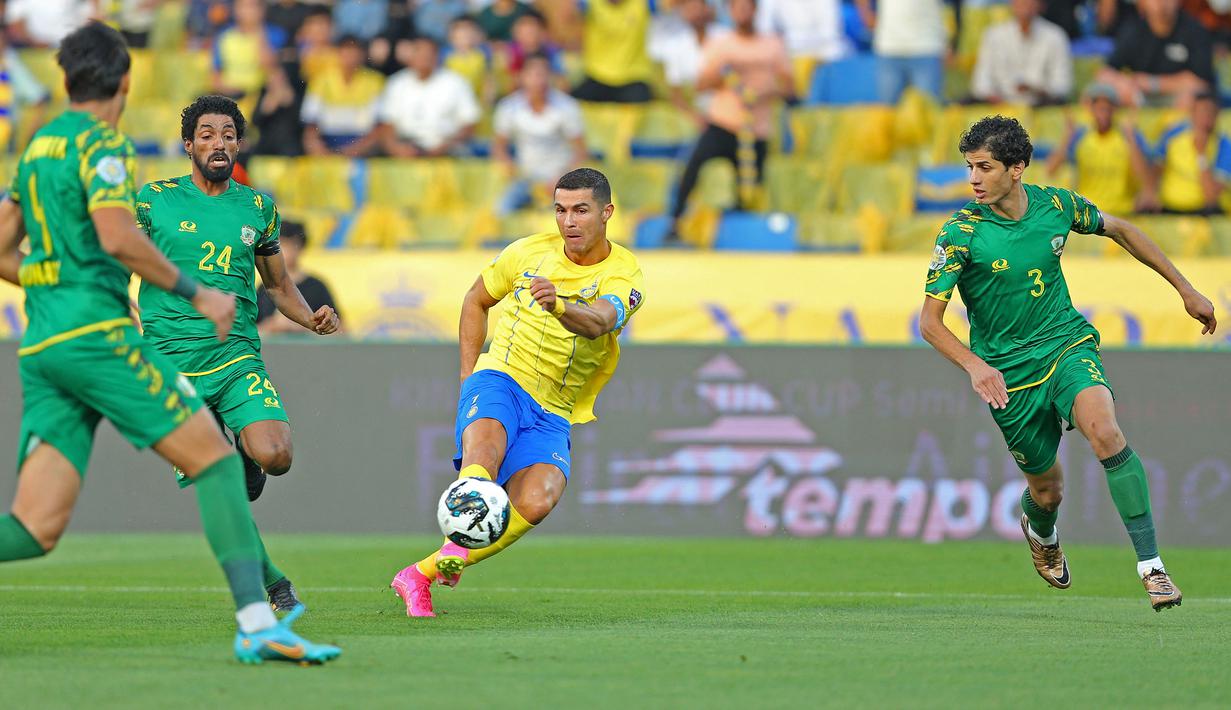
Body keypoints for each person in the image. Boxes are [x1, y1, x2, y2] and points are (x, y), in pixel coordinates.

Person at [0, 23, 340, 663]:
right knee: (215, 462)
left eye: (226, 133)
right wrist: (195, 292)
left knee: (33, 528)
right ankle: (264, 616)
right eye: (206, 134)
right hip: (121, 343)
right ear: (127, 82)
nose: (218, 143)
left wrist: (54, 281)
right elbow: (117, 236)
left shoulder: (39, 146)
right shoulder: (113, 155)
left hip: (49, 345)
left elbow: (4, 249)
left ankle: (263, 612)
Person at [919, 115, 1217, 612]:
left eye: (984, 167)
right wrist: (976, 366)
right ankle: (1041, 531)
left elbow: (1120, 228)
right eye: (969, 167)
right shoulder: (959, 234)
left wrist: (1185, 288)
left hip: (1065, 345)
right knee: (1048, 489)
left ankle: (1152, 567)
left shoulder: (1056, 205)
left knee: (1106, 432)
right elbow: (930, 323)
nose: (973, 178)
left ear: (1017, 169)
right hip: (1007, 375)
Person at [389, 167, 645, 618]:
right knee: (482, 455)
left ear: (606, 213)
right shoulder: (527, 252)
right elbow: (476, 300)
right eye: (561, 210)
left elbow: (602, 322)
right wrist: (469, 376)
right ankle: (460, 533)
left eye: (581, 210)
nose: (569, 222)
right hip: (502, 377)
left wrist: (561, 305)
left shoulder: (623, 271)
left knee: (540, 497)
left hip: (555, 407)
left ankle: (421, 572)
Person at [666, 0, 794, 242]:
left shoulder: (773, 45)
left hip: (756, 129)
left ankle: (742, 234)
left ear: (755, 10)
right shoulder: (721, 45)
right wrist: (724, 75)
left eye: (746, 7)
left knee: (748, 186)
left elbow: (789, 87)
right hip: (723, 123)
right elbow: (701, 85)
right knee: (692, 168)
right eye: (737, 8)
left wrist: (763, 94)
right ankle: (675, 221)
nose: (742, 13)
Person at [492, 53, 588, 215]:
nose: (540, 80)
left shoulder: (567, 106)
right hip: (524, 179)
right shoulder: (508, 107)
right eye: (534, 74)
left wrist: (563, 179)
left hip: (560, 179)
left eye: (544, 74)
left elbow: (581, 152)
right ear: (522, 77)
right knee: (500, 211)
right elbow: (499, 147)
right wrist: (509, 168)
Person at [1046, 83, 1157, 216]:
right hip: (1089, 213)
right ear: (1091, 109)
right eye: (1099, 108)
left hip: (1122, 211)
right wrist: (1067, 137)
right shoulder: (1081, 136)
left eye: (1107, 108)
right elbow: (1051, 169)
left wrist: (1131, 140)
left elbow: (1143, 178)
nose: (1103, 113)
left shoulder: (1128, 136)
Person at [1096, 0, 1215, 109]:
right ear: (1143, 2)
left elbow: (1201, 83)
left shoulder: (1195, 31)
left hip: (1179, 103)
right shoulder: (1132, 31)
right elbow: (1105, 73)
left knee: (1193, 99)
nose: (1161, 4)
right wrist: (1125, 83)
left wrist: (1152, 83)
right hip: (1140, 99)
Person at [376, 35, 480, 158]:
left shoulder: (457, 82)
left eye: (429, 54)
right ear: (411, 56)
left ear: (437, 56)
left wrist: (444, 146)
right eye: (419, 52)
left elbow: (469, 124)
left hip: (446, 146)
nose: (424, 58)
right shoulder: (397, 83)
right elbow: (387, 123)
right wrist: (395, 148)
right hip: (406, 144)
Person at [971, 0, 1072, 106]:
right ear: (1012, 3)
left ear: (1041, 5)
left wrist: (1037, 90)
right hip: (999, 108)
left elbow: (1062, 85)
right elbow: (981, 82)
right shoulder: (994, 35)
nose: (1026, 5)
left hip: (1041, 107)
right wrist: (994, 97)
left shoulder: (1056, 36)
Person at [301, 34, 385, 156]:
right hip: (327, 142)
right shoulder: (321, 80)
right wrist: (320, 151)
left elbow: (379, 129)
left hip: (362, 146)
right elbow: (311, 125)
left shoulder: (375, 82)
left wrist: (352, 151)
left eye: (354, 53)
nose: (350, 58)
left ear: (362, 55)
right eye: (346, 52)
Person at [647, 0, 727, 126]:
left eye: (699, 7)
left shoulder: (725, 38)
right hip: (693, 117)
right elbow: (676, 94)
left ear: (708, 9)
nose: (696, 13)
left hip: (726, 112)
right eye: (690, 8)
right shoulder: (676, 45)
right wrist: (694, 117)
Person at [1150, 90, 1231, 214]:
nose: (1206, 117)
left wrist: (1201, 155)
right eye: (1202, 112)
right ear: (1192, 113)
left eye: (1210, 112)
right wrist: (1151, 193)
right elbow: (1156, 169)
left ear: (1217, 114)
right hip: (1169, 208)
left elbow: (1211, 197)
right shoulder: (1173, 135)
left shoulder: (1224, 145)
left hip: (1202, 211)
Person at [854, 0, 950, 103]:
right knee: (889, 112)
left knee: (928, 109)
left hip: (926, 47)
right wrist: (866, 15)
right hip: (889, 48)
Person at [256, 220, 342, 335]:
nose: (278, 251)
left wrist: (303, 325)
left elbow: (341, 331)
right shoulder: (265, 287)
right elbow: (251, 331)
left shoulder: (317, 287)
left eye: (285, 245)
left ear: (299, 246)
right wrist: (273, 325)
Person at [568, 0, 657, 104]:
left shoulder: (645, 3)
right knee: (570, 106)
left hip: (634, 77)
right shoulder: (589, 4)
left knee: (647, 110)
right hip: (597, 75)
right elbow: (568, 23)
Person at [211, 0, 287, 100]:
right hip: (229, 95)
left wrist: (259, 31)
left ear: (262, 9)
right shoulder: (225, 36)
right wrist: (227, 90)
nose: (247, 11)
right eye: (242, 6)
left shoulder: (275, 34)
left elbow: (271, 67)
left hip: (259, 95)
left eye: (252, 6)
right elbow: (215, 74)